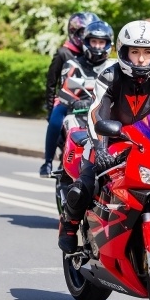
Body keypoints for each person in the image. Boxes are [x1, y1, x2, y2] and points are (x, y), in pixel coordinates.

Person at [58, 20, 150, 254]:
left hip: (145, 141)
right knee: (85, 185)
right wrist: (100, 150)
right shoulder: (109, 77)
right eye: (135, 52)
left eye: (147, 52)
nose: (141, 59)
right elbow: (96, 114)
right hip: (107, 139)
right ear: (124, 52)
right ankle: (68, 226)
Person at [40, 11, 99, 177]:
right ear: (74, 32)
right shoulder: (63, 53)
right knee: (55, 121)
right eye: (83, 32)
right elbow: (51, 83)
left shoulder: (96, 51)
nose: (88, 36)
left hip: (91, 98)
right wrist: (51, 109)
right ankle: (47, 162)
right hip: (68, 98)